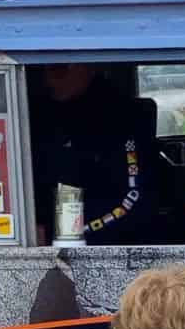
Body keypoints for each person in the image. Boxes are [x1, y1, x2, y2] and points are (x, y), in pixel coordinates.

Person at [27, 62, 162, 245]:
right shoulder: (33, 119)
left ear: (89, 66)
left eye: (59, 68)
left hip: (112, 249)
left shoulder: (122, 118)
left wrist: (59, 233)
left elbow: (132, 199)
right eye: (41, 69)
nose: (48, 78)